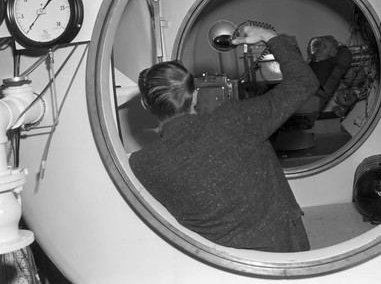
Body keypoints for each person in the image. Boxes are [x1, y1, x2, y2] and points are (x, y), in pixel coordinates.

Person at [129, 24, 319, 252]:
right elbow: (304, 82)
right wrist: (270, 37)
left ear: (145, 105)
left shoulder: (141, 165)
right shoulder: (235, 119)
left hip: (218, 266)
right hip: (282, 250)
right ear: (196, 94)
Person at [308, 36, 352, 111]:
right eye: (320, 44)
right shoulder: (314, 63)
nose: (319, 47)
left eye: (324, 46)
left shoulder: (324, 67)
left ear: (332, 53)